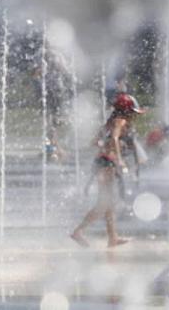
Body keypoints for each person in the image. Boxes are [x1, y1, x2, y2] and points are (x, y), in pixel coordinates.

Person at [71, 93, 143, 248]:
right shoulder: (120, 121)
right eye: (133, 112)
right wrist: (119, 159)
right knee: (104, 204)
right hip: (106, 165)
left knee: (108, 203)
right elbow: (115, 138)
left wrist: (106, 147)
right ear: (126, 111)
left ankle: (113, 238)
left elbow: (94, 142)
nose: (134, 117)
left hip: (102, 163)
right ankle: (78, 231)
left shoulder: (109, 122)